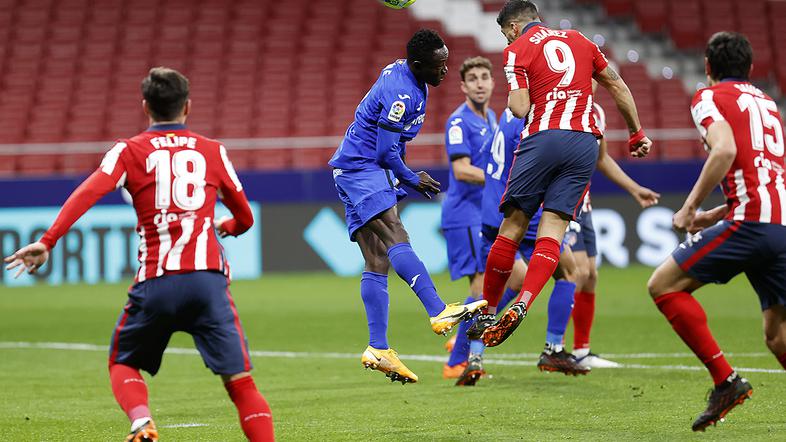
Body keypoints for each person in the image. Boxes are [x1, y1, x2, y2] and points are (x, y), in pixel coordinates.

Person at [4, 68, 274, 441]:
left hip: (157, 282)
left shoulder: (128, 151)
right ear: (188, 106)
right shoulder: (213, 151)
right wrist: (223, 227)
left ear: (145, 107)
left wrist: (48, 241)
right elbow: (244, 217)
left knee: (123, 362)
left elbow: (88, 192)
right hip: (206, 281)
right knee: (241, 383)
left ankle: (141, 421)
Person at [476, 0, 652, 347]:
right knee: (553, 232)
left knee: (512, 226)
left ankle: (488, 311)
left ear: (513, 28)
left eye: (504, 34)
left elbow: (520, 107)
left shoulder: (517, 49)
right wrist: (636, 133)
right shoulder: (581, 39)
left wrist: (517, 96)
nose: (505, 41)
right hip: (585, 142)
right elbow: (617, 86)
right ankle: (524, 303)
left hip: (544, 137)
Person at [327, 29, 487, 385]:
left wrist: (399, 176)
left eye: (446, 63)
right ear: (418, 65)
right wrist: (412, 178)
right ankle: (437, 309)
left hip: (361, 168)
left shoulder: (412, 78)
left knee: (377, 258)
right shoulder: (403, 92)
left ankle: (378, 348)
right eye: (439, 65)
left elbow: (392, 145)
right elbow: (385, 151)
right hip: (362, 167)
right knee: (395, 233)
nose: (445, 70)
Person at [647, 31, 785, 432]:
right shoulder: (767, 103)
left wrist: (689, 208)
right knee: (777, 335)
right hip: (779, 222)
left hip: (752, 224)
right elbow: (766, 175)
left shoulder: (708, 98)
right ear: (750, 68)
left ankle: (725, 381)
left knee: (664, 286)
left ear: (708, 67)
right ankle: (726, 383)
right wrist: (712, 216)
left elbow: (723, 150)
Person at [564, 95, 661, 369]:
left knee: (591, 274)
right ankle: (555, 348)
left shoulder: (594, 112)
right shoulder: (557, 108)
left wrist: (634, 188)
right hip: (561, 202)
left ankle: (581, 351)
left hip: (585, 204)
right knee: (577, 273)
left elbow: (602, 159)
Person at [440, 56, 497, 380]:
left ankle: (462, 337)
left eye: (484, 77)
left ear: (492, 82)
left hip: (485, 213)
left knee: (512, 279)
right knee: (480, 286)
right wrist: (498, 179)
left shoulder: (492, 118)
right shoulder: (459, 122)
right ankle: (456, 363)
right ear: (463, 86)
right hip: (465, 215)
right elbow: (461, 170)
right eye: (472, 78)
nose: (478, 82)